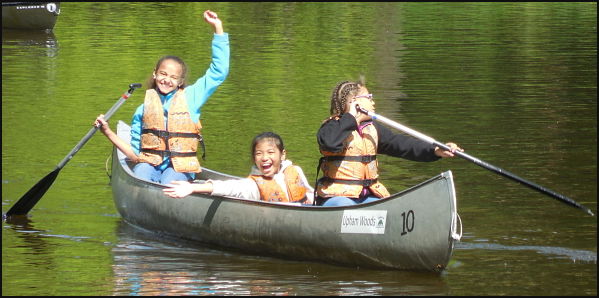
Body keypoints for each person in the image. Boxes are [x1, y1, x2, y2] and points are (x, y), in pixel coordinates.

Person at [94, 10, 229, 185]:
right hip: (150, 164)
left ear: (181, 82)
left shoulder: (191, 97)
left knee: (169, 183)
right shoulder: (143, 110)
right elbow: (135, 154)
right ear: (155, 75)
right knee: (141, 172)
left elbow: (218, 72)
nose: (167, 80)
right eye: (163, 74)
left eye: (173, 77)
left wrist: (217, 28)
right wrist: (107, 132)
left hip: (180, 167)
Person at [315, 77, 462, 207]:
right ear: (355, 102)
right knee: (345, 206)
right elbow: (329, 143)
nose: (373, 101)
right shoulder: (331, 127)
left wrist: (434, 150)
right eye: (369, 97)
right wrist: (351, 118)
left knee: (384, 206)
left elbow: (401, 144)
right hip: (337, 197)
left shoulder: (373, 129)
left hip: (367, 197)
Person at [163, 132, 314, 205]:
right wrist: (193, 189)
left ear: (282, 155)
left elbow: (310, 194)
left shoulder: (295, 170)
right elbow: (230, 187)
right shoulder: (253, 184)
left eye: (270, 152)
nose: (265, 158)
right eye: (259, 154)